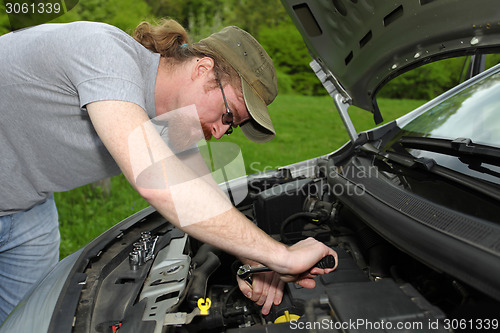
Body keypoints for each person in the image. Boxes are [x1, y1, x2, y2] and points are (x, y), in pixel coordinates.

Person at [0, 19, 338, 323]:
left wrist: (252, 260)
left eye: (231, 127)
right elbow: (157, 180)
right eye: (228, 115)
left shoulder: (174, 124)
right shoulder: (105, 51)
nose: (220, 132)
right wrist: (280, 256)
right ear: (203, 68)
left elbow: (203, 197)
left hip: (28, 209)